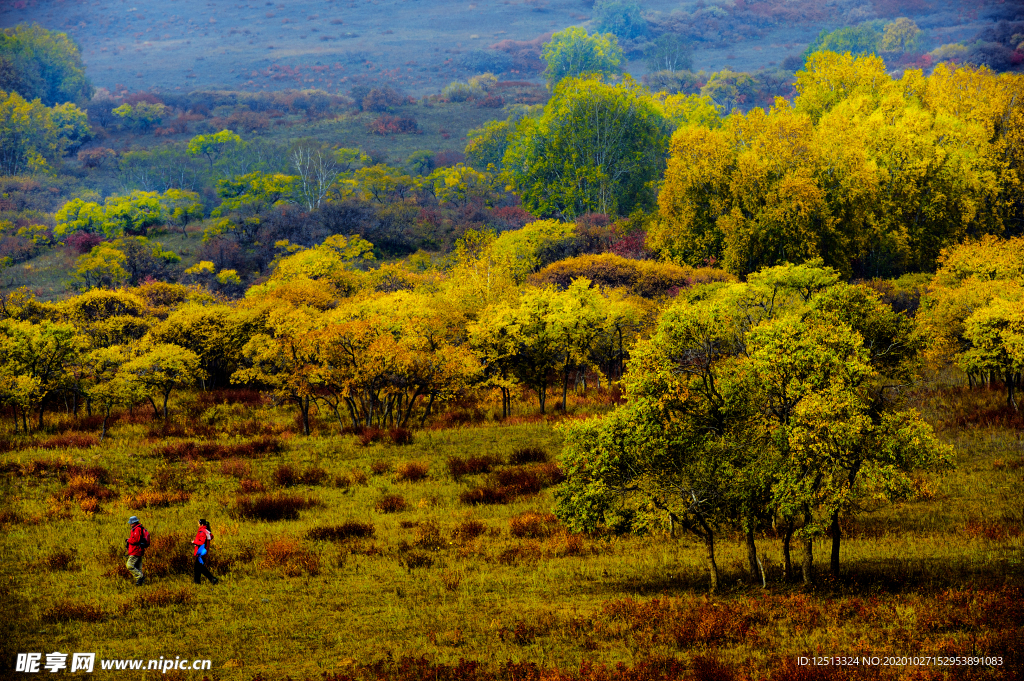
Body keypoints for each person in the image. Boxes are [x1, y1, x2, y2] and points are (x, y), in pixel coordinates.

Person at [192, 519, 219, 585]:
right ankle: (197, 582)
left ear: (201, 524)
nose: (198, 525)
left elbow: (202, 542)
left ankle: (212, 579)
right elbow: (211, 536)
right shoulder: (206, 531)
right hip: (204, 551)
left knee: (200, 567)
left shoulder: (202, 532)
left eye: (198, 523)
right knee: (197, 568)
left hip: (201, 551)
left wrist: (194, 542)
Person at [125, 515, 146, 586]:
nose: (130, 524)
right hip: (138, 550)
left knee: (129, 565)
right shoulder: (138, 528)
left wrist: (128, 540)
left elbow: (136, 540)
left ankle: (140, 577)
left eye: (131, 523)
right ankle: (141, 583)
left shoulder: (137, 529)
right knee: (138, 567)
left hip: (135, 551)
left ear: (135, 522)